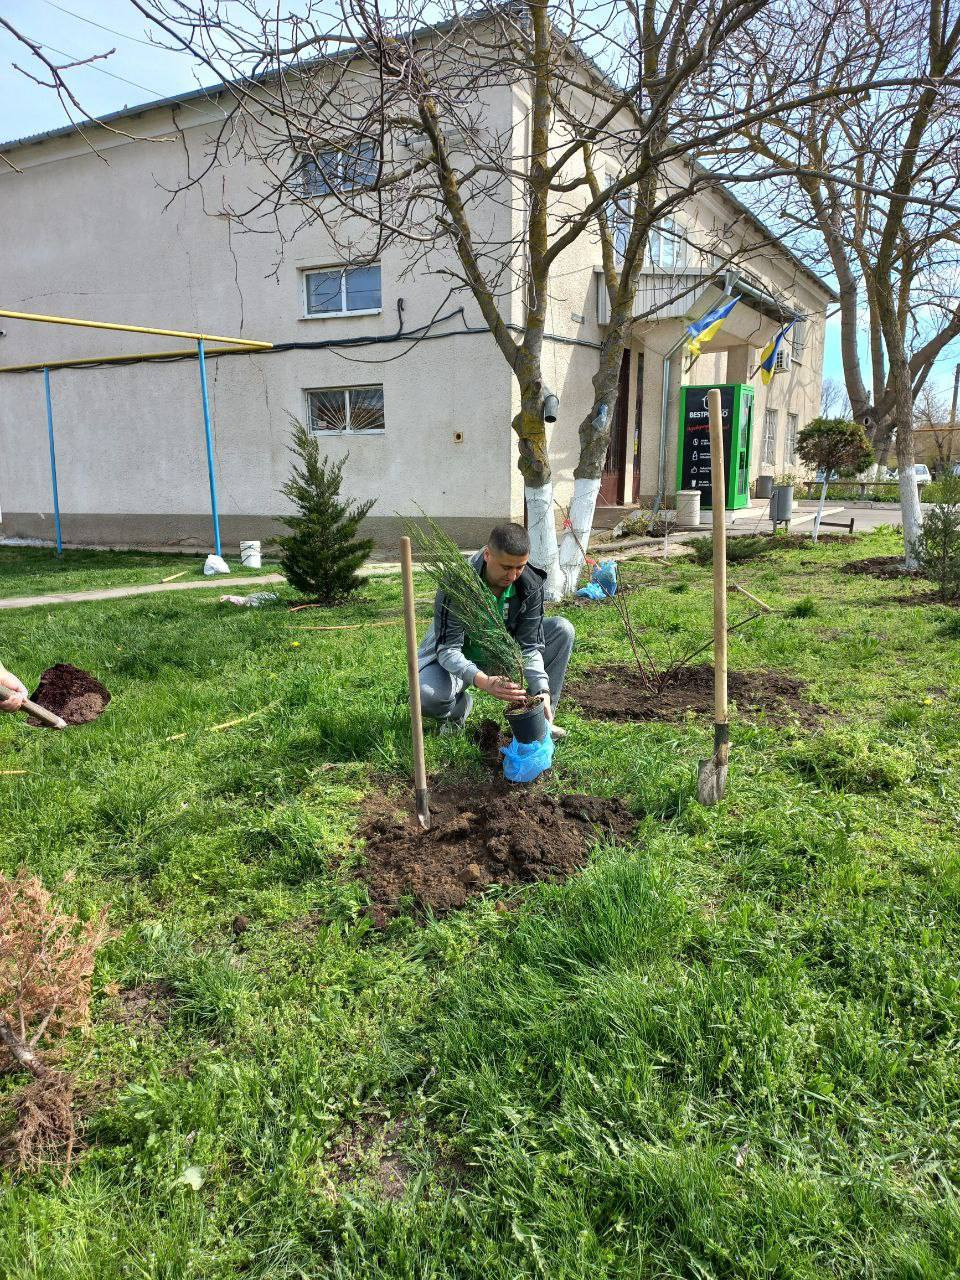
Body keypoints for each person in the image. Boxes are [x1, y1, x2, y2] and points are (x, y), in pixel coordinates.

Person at [418, 522, 574, 736]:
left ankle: (540, 719)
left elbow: (529, 646)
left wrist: (542, 689)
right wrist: (484, 682)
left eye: (520, 567)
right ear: (487, 555)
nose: (513, 576)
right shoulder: (458, 583)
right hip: (456, 659)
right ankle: (458, 710)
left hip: (503, 654)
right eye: (506, 567)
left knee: (562, 629)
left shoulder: (530, 583)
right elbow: (448, 649)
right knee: (426, 697)